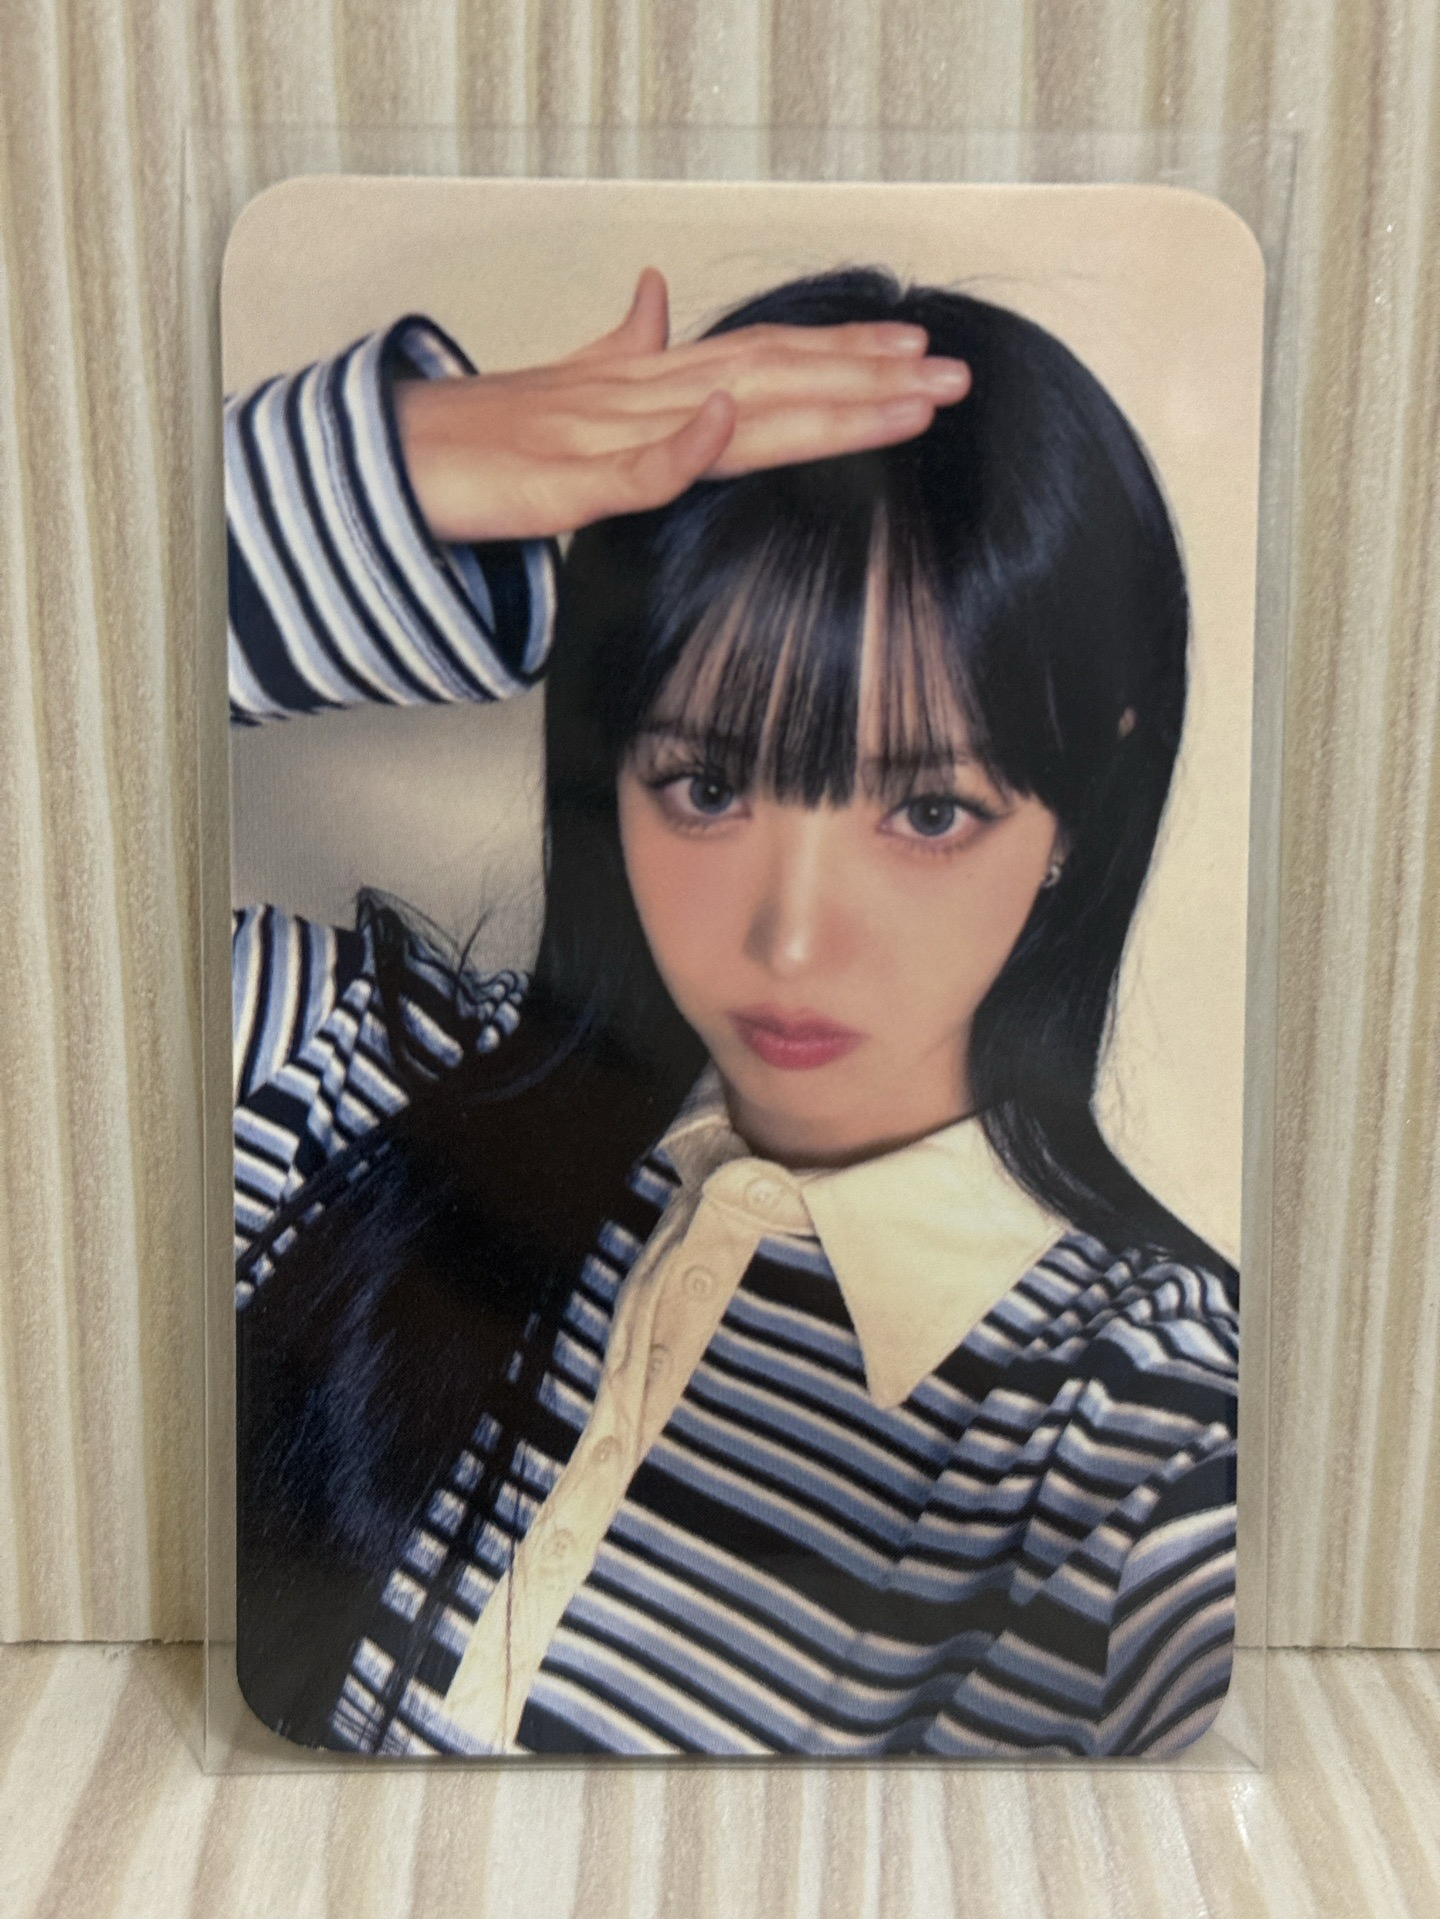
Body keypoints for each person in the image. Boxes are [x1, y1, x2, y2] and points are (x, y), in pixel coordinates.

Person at [227, 265, 1239, 1760]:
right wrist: (398, 470)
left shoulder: (1145, 1428)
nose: (791, 939)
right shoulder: (341, 1083)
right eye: (705, 785)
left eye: (930, 810)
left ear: (1085, 795)